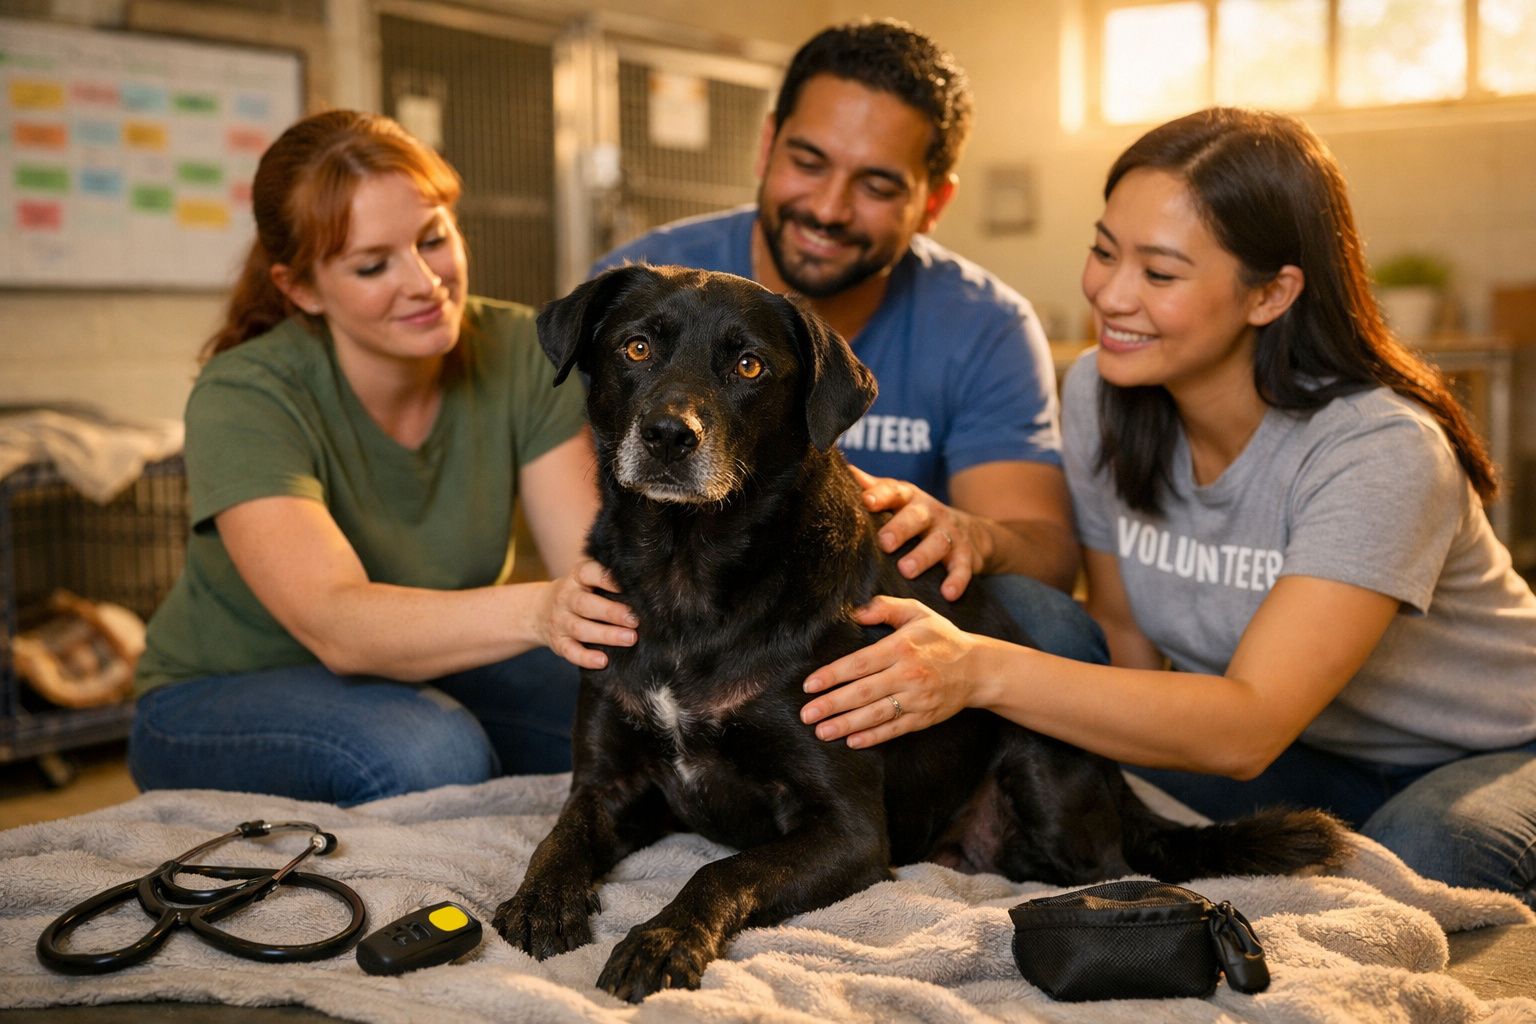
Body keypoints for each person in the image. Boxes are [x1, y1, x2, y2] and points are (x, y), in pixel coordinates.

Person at [798, 107, 1536, 905]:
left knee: (1425, 855)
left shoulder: (1377, 449)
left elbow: (1248, 727)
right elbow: (1121, 639)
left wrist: (974, 669)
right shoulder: (1103, 397)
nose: (1110, 296)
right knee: (1081, 735)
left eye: (1159, 274)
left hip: (1479, 751)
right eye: (1103, 251)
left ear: (1271, 293)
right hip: (1311, 753)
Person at [129, 110, 637, 806]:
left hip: (434, 667)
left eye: (434, 240)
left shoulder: (523, 348)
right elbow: (336, 625)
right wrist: (541, 611)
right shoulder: (246, 391)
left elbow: (588, 565)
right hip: (222, 693)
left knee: (642, 718)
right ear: (301, 288)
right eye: (373, 265)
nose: (425, 283)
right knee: (431, 752)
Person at [591, 19, 1103, 663]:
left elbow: (1048, 555)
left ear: (933, 201)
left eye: (877, 185)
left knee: (1047, 622)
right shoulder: (643, 287)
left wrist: (974, 534)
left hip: (863, 615)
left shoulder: (987, 324)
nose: (830, 208)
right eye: (808, 162)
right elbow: (579, 538)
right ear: (767, 145)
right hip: (675, 609)